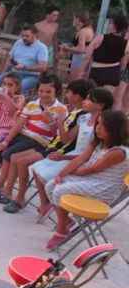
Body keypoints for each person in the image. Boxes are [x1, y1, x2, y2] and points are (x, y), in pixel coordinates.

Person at [45, 110, 129, 250]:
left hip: (104, 188)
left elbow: (91, 169)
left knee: (60, 190)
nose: (97, 128)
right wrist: (62, 174)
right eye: (98, 124)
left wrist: (71, 173)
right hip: (89, 179)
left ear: (114, 130)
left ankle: (61, 231)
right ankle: (66, 221)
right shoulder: (98, 142)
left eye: (103, 125)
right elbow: (81, 159)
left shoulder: (118, 152)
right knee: (51, 185)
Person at [0, 74, 65, 205]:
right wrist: (5, 141)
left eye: (48, 91)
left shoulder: (61, 109)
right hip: (24, 136)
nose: (43, 94)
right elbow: (19, 124)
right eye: (41, 91)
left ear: (57, 92)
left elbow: (57, 135)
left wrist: (51, 122)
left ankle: (2, 189)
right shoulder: (32, 104)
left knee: (9, 154)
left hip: (40, 141)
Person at [32, 87, 112, 221]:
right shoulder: (83, 117)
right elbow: (66, 139)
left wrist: (64, 157)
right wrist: (59, 121)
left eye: (90, 100)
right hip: (73, 154)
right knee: (36, 168)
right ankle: (46, 203)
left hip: (84, 160)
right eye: (86, 98)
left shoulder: (103, 125)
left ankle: (60, 214)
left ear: (101, 105)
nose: (85, 102)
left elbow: (92, 154)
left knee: (47, 177)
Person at [0, 25, 49, 94]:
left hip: (31, 76)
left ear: (35, 35)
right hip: (14, 73)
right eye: (22, 35)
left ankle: (14, 103)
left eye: (27, 36)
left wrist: (24, 67)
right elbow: (9, 58)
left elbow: (43, 67)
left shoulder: (41, 47)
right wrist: (3, 71)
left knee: (21, 85)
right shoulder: (19, 42)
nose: (24, 38)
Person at [85, 14, 128, 89]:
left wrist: (83, 71)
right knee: (105, 98)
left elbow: (87, 56)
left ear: (114, 25)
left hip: (97, 72)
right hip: (113, 74)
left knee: (92, 95)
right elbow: (123, 64)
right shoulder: (126, 43)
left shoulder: (100, 38)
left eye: (111, 23)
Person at [60, 12, 95, 81]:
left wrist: (66, 48)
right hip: (82, 58)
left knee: (74, 81)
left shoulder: (83, 31)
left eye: (74, 18)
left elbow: (81, 49)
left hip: (80, 59)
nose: (73, 20)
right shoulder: (88, 30)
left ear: (78, 20)